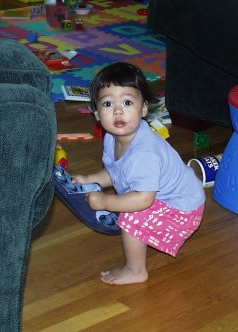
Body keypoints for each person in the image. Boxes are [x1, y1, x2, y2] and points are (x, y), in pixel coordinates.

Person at [74, 62, 206, 285]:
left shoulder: (144, 153)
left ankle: (135, 270)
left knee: (132, 214)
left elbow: (144, 199)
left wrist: (106, 201)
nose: (118, 110)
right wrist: (90, 179)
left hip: (183, 211)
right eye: (108, 103)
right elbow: (117, 171)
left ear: (144, 108)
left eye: (127, 102)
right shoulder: (112, 138)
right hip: (169, 199)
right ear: (96, 113)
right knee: (129, 205)